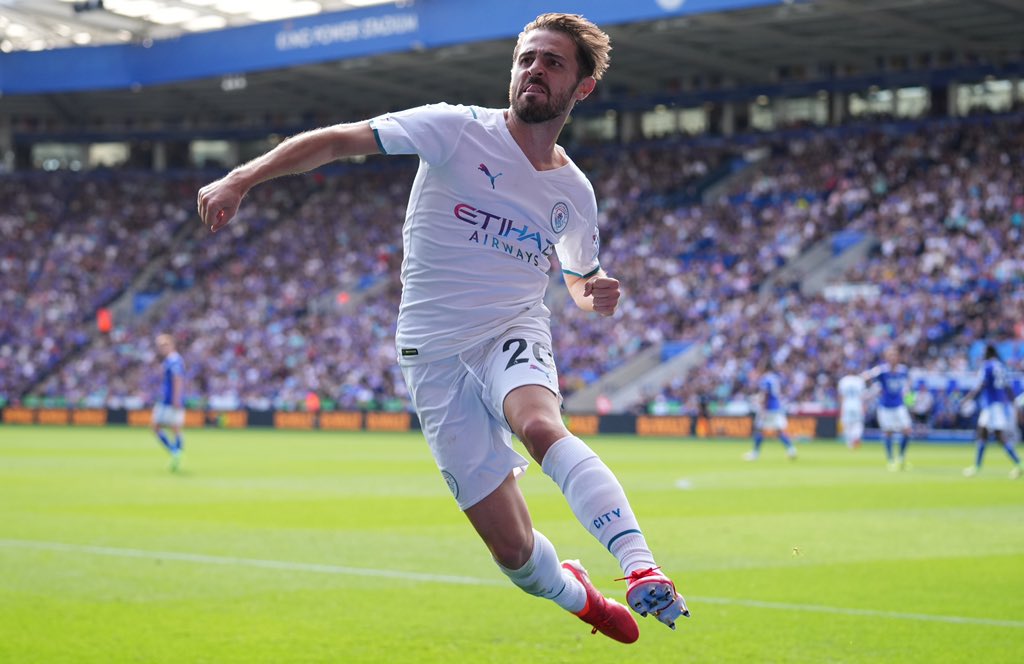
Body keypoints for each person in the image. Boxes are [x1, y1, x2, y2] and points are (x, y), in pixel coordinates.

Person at [197, 13, 686, 643]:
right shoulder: (455, 128)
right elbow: (341, 140)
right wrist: (242, 178)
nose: (534, 70)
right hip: (432, 357)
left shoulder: (575, 193)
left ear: (582, 88)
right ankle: (576, 594)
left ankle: (640, 565)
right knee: (515, 557)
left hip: (510, 331)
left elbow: (578, 279)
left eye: (553, 63)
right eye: (527, 59)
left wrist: (593, 294)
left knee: (538, 424)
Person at [960, 344, 1022, 479]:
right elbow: (1008, 387)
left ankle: (1019, 463)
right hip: (998, 405)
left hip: (991, 406)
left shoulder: (987, 366)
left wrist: (967, 398)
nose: (982, 355)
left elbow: (981, 385)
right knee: (982, 433)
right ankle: (977, 466)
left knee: (999, 437)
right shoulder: (1001, 366)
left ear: (988, 352)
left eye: (983, 352)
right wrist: (1014, 403)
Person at [863, 346, 913, 471]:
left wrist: (907, 393)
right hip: (885, 406)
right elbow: (866, 376)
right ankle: (891, 460)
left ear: (898, 357)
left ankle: (901, 458)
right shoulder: (881, 371)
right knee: (888, 432)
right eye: (890, 355)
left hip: (899, 405)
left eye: (895, 355)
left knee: (907, 430)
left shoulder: (903, 370)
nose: (893, 358)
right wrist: (875, 387)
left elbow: (908, 383)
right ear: (886, 358)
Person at [744, 364, 797, 461]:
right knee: (779, 431)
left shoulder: (765, 379)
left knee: (759, 430)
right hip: (777, 407)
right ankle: (791, 450)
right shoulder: (776, 378)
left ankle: (755, 453)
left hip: (768, 408)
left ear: (765, 368)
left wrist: (763, 407)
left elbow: (765, 394)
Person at [151, 333, 185, 471]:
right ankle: (176, 452)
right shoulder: (170, 360)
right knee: (172, 428)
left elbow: (178, 379)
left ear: (172, 344)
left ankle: (175, 452)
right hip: (167, 399)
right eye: (160, 346)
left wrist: (176, 399)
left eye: (164, 345)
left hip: (169, 401)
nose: (162, 348)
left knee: (159, 427)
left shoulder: (174, 360)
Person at [837, 373, 867, 449]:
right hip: (857, 405)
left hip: (846, 405)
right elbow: (862, 396)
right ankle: (856, 438)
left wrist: (841, 407)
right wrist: (863, 406)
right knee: (858, 424)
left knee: (847, 425)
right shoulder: (859, 380)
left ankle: (850, 443)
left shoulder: (843, 380)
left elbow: (841, 396)